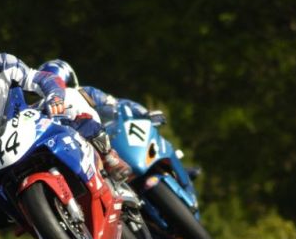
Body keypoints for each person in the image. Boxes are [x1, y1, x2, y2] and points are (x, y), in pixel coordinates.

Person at [0, 23, 132, 235]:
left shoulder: (4, 64)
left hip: (28, 126)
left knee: (73, 97)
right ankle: (23, 214)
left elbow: (43, 79)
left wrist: (55, 97)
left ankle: (108, 155)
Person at [37, 59, 201, 181]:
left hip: (115, 138)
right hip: (81, 150)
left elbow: (117, 104)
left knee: (155, 138)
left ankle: (181, 171)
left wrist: (145, 113)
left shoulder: (84, 92)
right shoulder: (41, 109)